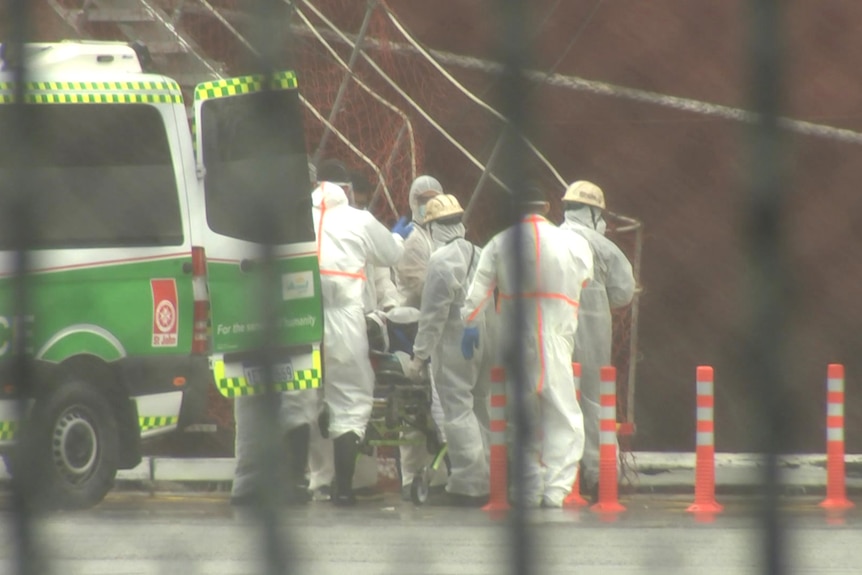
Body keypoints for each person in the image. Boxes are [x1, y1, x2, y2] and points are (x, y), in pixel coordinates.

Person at [460, 182, 594, 508]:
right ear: (547, 208)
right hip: (556, 338)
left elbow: (476, 294)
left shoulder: (499, 244)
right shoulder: (573, 243)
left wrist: (470, 325)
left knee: (521, 417)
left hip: (515, 340)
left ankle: (528, 489)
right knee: (563, 414)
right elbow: (585, 279)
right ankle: (556, 490)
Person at [312, 180, 405, 506]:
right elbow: (392, 253)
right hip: (345, 319)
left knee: (304, 401)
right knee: (350, 401)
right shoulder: (359, 218)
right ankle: (344, 488)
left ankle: (311, 482)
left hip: (302, 318)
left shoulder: (297, 220)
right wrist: (396, 235)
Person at [406, 194, 494, 507]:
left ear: (433, 228)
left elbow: (432, 316)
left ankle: (470, 484)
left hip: (457, 341)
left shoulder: (441, 261)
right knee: (482, 408)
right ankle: (490, 475)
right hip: (485, 338)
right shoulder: (480, 252)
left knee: (457, 410)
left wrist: (419, 356)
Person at [560, 180, 635, 500]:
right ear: (592, 213)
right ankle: (598, 476)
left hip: (550, 332)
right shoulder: (601, 245)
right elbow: (623, 291)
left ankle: (558, 477)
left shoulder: (549, 238)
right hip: (591, 335)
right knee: (594, 402)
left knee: (555, 400)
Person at [393, 174, 449, 499]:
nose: (428, 203)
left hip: (436, 328)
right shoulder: (413, 239)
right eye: (423, 198)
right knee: (413, 410)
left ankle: (437, 478)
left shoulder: (439, 235)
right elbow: (421, 286)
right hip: (411, 327)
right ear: (414, 202)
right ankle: (410, 477)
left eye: (434, 197)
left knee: (434, 409)